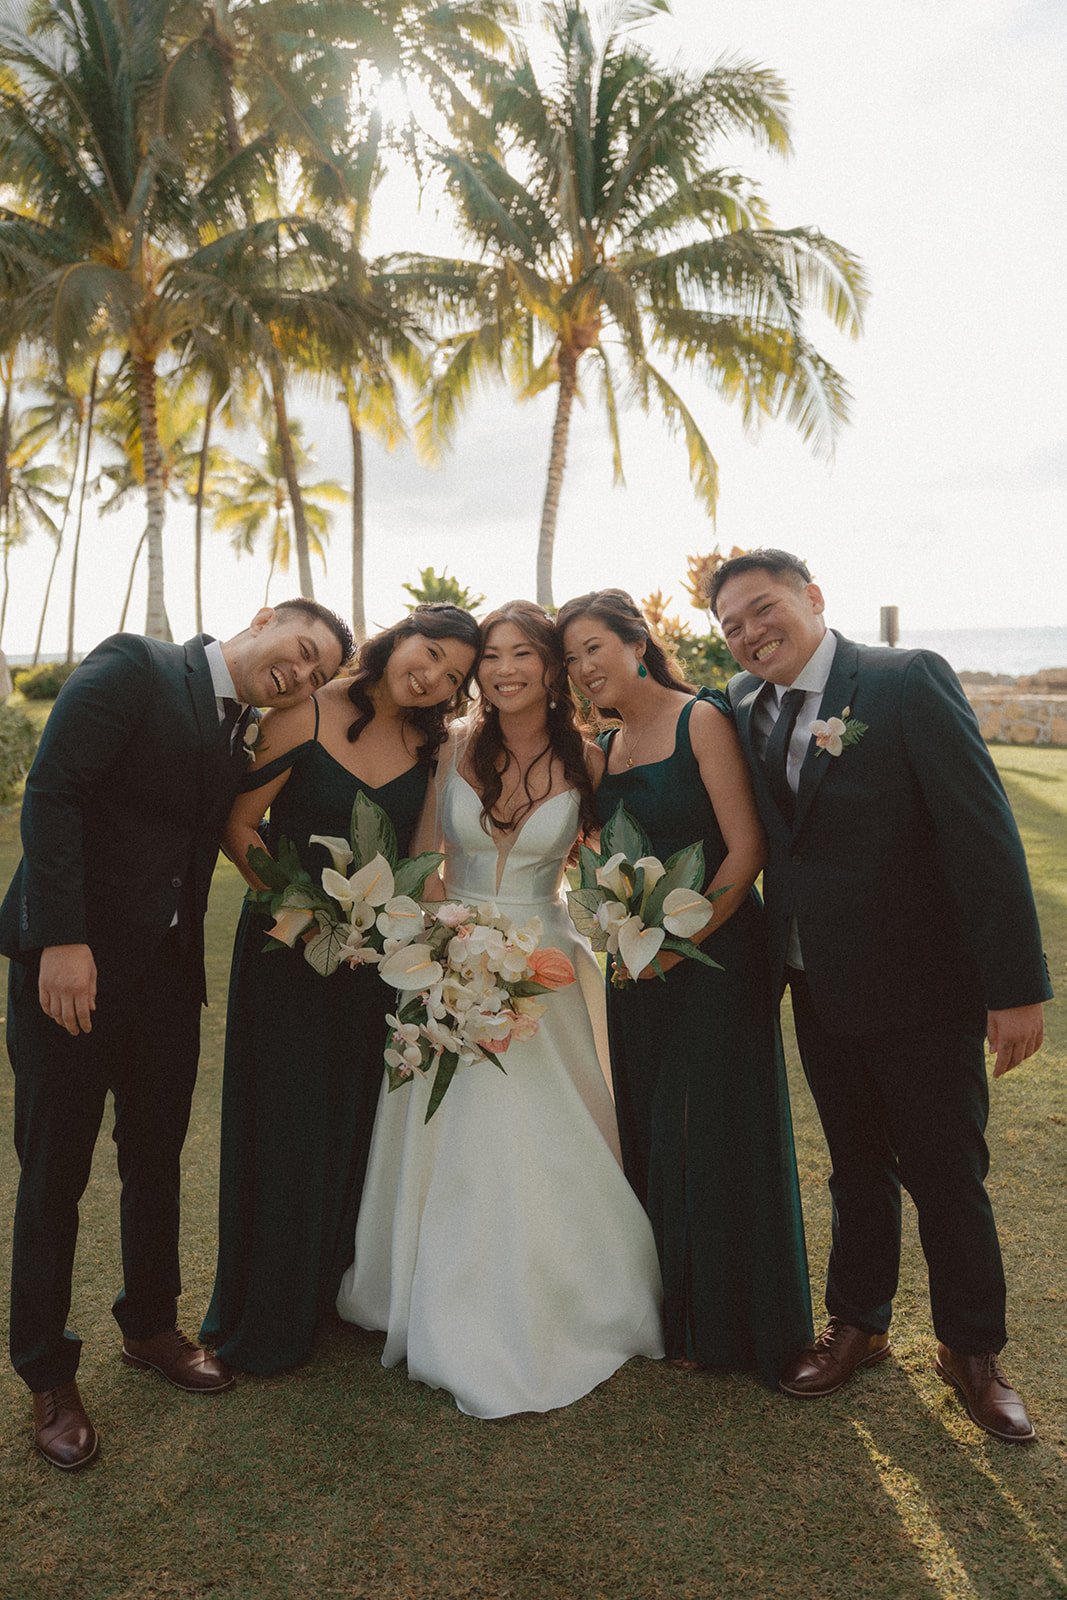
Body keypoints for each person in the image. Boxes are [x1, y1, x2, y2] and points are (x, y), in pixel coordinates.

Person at [709, 548, 1052, 1441]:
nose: (748, 634)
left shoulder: (904, 682)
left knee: (946, 1174)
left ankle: (971, 1352)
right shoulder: (741, 705)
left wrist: (1015, 990)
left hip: (923, 989)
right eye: (730, 626)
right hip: (813, 988)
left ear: (812, 598)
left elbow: (983, 838)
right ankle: (857, 1326)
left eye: (761, 609)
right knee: (854, 1165)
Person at [1, 601, 350, 1470]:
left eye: (315, 675)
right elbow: (53, 795)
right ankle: (47, 1372)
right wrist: (61, 940)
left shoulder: (242, 729)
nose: (299, 676)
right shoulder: (135, 665)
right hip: (72, 970)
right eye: (302, 652)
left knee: (154, 1158)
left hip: (166, 981)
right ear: (265, 617)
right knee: (56, 1172)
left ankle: (150, 1326)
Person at [336, 600, 664, 1417]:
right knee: (452, 1128)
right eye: (490, 655)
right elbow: (423, 858)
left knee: (543, 1128)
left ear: (551, 670)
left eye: (524, 653)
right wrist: (447, 948)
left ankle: (567, 1292)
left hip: (548, 966)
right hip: (449, 956)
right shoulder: (451, 749)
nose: (504, 668)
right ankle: (433, 1286)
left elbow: (601, 864)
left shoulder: (588, 758)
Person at [200, 604, 480, 1375]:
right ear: (401, 637)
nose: (432, 676)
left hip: (370, 965)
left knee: (351, 1121)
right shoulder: (304, 712)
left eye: (453, 676)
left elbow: (423, 854)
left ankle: (326, 1294)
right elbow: (241, 826)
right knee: (284, 1123)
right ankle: (264, 1313)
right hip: (287, 953)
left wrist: (406, 943)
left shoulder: (428, 746)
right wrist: (303, 909)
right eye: (429, 653)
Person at [559, 590, 812, 1386]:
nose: (582, 669)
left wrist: (677, 944)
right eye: (569, 659)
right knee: (649, 1125)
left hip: (718, 960)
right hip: (633, 961)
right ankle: (674, 1313)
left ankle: (742, 1324)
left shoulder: (699, 719)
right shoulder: (601, 745)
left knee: (709, 1127)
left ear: (638, 641)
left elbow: (745, 850)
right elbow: (592, 850)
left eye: (593, 648)